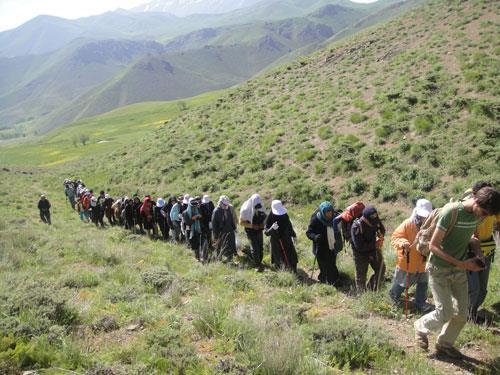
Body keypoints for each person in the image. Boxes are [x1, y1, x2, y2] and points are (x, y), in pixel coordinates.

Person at [414, 187, 500, 359]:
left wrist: (478, 254)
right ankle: (420, 327)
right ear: (476, 200)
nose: (483, 216)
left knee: (462, 313)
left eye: (487, 214)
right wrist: (462, 263)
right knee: (444, 312)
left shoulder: (478, 215)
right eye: (483, 212)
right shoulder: (451, 212)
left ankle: (444, 344)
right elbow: (433, 246)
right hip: (439, 268)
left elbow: (472, 239)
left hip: (459, 269)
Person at [389, 199, 434, 313]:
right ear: (417, 213)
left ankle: (420, 303)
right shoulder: (408, 223)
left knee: (423, 284)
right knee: (401, 283)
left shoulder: (431, 225)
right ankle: (393, 298)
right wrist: (403, 242)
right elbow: (395, 237)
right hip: (407, 260)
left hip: (423, 262)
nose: (424, 218)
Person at [464, 182, 499, 322]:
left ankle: (472, 312)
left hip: (487, 250)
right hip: (470, 252)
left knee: (482, 289)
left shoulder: (493, 204)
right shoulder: (468, 204)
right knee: (473, 289)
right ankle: (467, 316)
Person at [350, 205, 386, 292]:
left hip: (373, 249)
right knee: (361, 276)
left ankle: (372, 289)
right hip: (360, 254)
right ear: (365, 219)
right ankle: (362, 296)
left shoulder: (374, 219)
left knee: (381, 269)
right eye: (371, 222)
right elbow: (360, 247)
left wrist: (381, 235)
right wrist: (375, 244)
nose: (374, 223)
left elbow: (381, 228)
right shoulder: (356, 227)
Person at [306, 201, 342, 284]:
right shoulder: (316, 219)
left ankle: (334, 281)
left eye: (331, 212)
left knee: (332, 264)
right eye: (327, 213)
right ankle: (323, 278)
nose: (330, 214)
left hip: (332, 245)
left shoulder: (335, 218)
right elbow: (309, 232)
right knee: (323, 265)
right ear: (323, 212)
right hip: (320, 246)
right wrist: (315, 237)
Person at [264, 200, 298, 272]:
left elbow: (289, 226)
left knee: (292, 256)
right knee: (279, 258)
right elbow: (266, 232)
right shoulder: (270, 217)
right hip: (276, 241)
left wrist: (294, 235)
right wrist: (272, 228)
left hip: (287, 238)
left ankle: (294, 270)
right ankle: (283, 272)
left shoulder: (284, 215)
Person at [239, 194, 267, 271]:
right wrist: (252, 226)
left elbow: (264, 217)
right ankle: (257, 264)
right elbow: (241, 222)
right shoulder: (245, 209)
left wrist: (263, 225)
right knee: (254, 248)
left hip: (259, 229)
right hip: (250, 230)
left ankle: (260, 261)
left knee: (260, 246)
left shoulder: (261, 206)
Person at [212, 195, 237, 261]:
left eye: (227, 204)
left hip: (230, 230)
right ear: (220, 203)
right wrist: (216, 236)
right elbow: (214, 225)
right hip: (221, 232)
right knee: (220, 246)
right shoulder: (216, 211)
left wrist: (234, 228)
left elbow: (231, 219)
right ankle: (219, 259)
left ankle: (230, 259)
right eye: (225, 204)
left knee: (231, 245)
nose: (226, 206)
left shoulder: (228, 208)